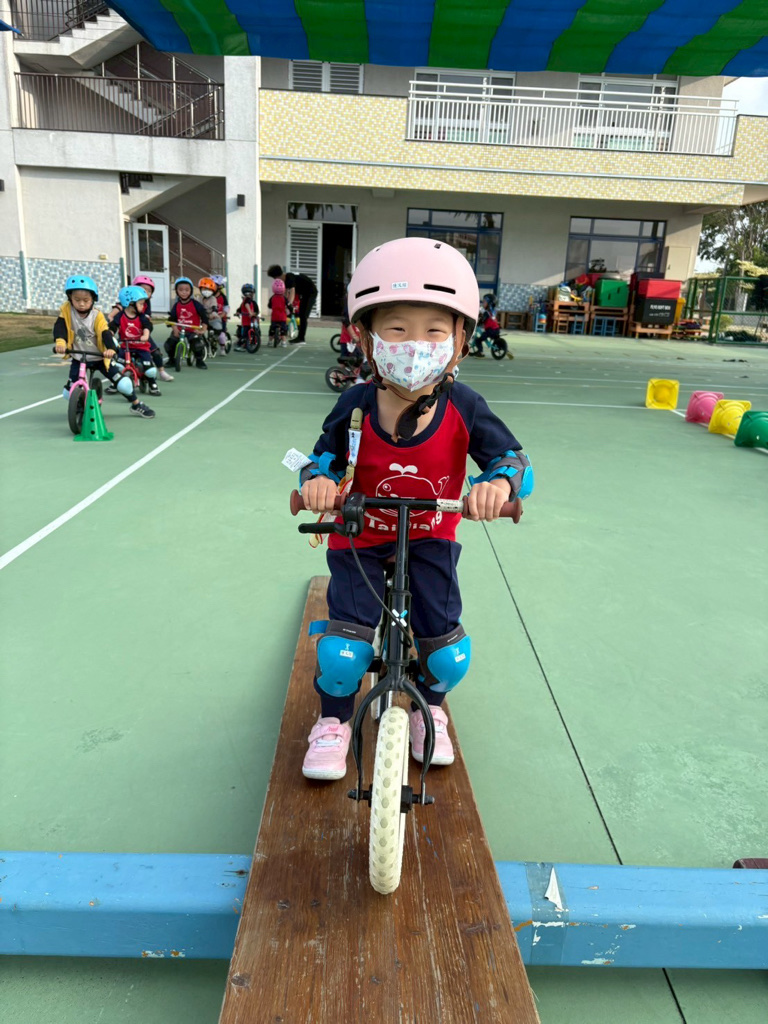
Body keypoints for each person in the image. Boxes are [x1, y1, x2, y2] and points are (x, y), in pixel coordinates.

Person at [297, 237, 533, 780]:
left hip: (432, 536)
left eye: (434, 330)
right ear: (366, 337)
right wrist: (317, 482)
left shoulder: (465, 405)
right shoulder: (355, 403)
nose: (414, 345)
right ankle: (332, 721)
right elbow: (320, 460)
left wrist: (498, 484)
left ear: (460, 339)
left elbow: (516, 460)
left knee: (446, 654)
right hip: (360, 534)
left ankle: (432, 709)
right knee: (342, 654)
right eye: (397, 329)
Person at [54, 274, 155, 419]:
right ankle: (80, 405)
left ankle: (136, 404)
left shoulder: (97, 315)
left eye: (85, 300)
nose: (81, 304)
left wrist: (110, 349)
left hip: (100, 357)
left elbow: (105, 333)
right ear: (70, 298)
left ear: (93, 299)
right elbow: (60, 327)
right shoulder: (66, 311)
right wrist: (60, 342)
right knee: (68, 392)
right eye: (77, 300)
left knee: (124, 384)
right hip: (79, 357)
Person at [107, 285, 161, 397]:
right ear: (130, 303)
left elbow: (147, 325)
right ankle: (116, 382)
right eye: (140, 304)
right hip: (126, 346)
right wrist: (110, 333)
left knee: (149, 369)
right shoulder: (120, 316)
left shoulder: (141, 316)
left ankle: (153, 384)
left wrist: (146, 335)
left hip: (141, 346)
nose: (143, 306)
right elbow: (113, 326)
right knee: (119, 365)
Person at [130, 274, 174, 382]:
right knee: (117, 351)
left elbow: (146, 321)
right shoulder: (128, 301)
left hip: (142, 334)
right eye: (143, 289)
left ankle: (162, 371)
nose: (145, 292)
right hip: (128, 334)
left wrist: (147, 329)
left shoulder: (146, 304)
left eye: (149, 291)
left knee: (156, 352)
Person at [267, 264, 317, 344]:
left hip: (311, 293)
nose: (275, 280)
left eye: (275, 278)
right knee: (301, 314)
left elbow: (292, 293)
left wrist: (288, 305)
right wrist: (283, 303)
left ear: (278, 276)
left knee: (303, 315)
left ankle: (301, 338)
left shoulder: (289, 278)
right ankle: (299, 337)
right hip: (304, 294)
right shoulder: (285, 280)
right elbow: (286, 293)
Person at [166, 277, 209, 369]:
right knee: (169, 344)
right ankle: (172, 360)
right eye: (181, 290)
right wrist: (175, 329)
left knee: (197, 345)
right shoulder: (176, 305)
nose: (184, 292)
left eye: (187, 290)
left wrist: (202, 330)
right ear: (177, 291)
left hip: (192, 330)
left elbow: (205, 318)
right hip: (180, 330)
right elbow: (172, 319)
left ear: (191, 291)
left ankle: (199, 361)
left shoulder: (196, 305)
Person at [198, 276, 229, 356]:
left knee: (221, 335)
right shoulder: (201, 298)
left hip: (216, 318)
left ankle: (222, 348)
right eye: (204, 289)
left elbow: (215, 307)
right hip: (205, 318)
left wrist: (218, 314)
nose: (206, 290)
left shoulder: (219, 297)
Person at [471, 293, 501, 358]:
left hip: (490, 330)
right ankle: (500, 346)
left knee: (478, 340)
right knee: (489, 337)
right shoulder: (492, 312)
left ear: (489, 304)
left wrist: (478, 323)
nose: (483, 303)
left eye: (484, 302)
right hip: (496, 330)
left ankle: (481, 352)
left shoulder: (487, 313)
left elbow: (483, 319)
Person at [234, 283, 260, 351]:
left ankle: (247, 343)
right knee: (244, 333)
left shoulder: (251, 302)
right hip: (245, 321)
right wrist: (237, 312)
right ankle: (243, 344)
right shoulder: (244, 302)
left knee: (254, 331)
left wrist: (252, 313)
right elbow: (240, 309)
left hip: (252, 321)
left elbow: (257, 311)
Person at [268, 278, 289, 347]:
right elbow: (288, 305)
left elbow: (269, 305)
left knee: (272, 329)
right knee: (283, 330)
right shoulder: (284, 298)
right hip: (282, 317)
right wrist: (291, 310)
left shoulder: (272, 297)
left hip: (274, 317)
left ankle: (270, 341)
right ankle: (284, 342)